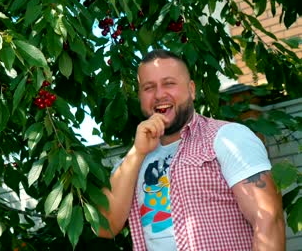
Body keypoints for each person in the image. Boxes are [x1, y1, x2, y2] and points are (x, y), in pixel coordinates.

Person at [98, 49, 286, 250]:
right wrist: (137, 152)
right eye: (149, 87)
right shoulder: (133, 159)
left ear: (192, 90)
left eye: (169, 83)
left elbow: (268, 221)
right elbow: (104, 226)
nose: (160, 94)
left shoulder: (227, 137)